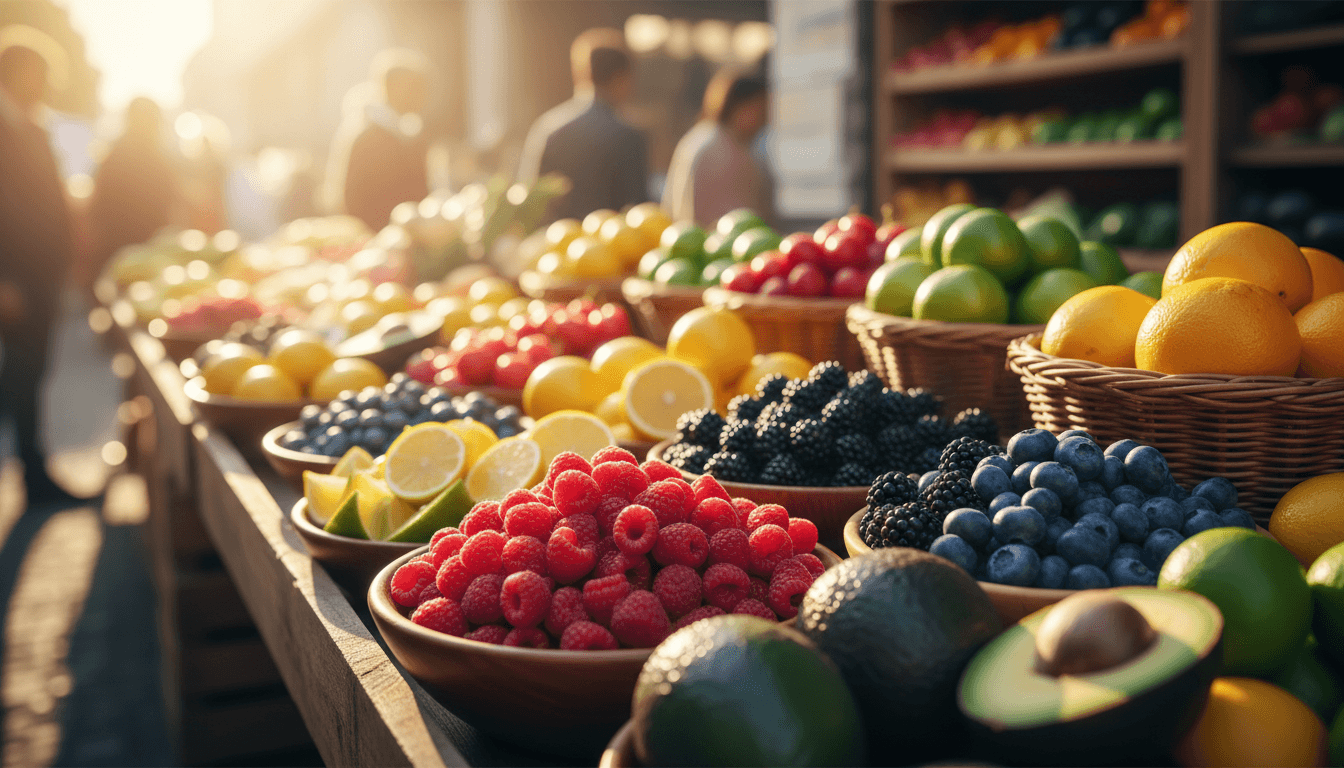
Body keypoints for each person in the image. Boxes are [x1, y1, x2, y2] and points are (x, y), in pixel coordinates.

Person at [0, 31, 85, 505]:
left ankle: (34, 469)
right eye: (41, 75)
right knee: (22, 373)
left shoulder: (31, 126)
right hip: (15, 279)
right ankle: (33, 476)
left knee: (28, 372)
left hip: (38, 276)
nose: (48, 85)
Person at [518, 28, 649, 222]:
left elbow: (529, 198)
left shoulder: (548, 128)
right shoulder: (628, 136)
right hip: (609, 247)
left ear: (579, 72)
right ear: (621, 78)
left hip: (554, 245)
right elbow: (638, 211)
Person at [326, 49, 430, 231]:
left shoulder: (406, 134)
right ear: (393, 87)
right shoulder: (369, 137)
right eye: (415, 87)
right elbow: (353, 204)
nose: (422, 96)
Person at [663, 69, 774, 228]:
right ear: (740, 107)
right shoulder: (718, 149)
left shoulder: (703, 138)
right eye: (760, 109)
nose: (765, 119)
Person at [87, 97, 180, 286]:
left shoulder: (114, 154)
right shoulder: (157, 158)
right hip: (132, 253)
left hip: (129, 254)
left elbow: (96, 205)